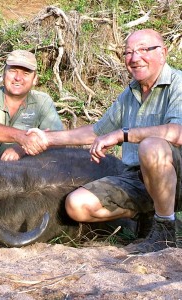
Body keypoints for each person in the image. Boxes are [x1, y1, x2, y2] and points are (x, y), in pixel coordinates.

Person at [25, 29, 182, 253]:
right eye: (128, 52)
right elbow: (97, 131)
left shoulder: (178, 83)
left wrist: (122, 134)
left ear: (163, 53)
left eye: (143, 50)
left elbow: (178, 133)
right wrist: (47, 138)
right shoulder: (130, 93)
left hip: (178, 175)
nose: (135, 58)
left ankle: (166, 231)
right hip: (139, 179)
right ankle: (151, 216)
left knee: (151, 145)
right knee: (77, 205)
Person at [0, 49, 63, 162]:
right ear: (4, 74)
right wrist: (22, 138)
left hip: (24, 171)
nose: (18, 78)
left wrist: (22, 149)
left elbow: (59, 139)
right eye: (13, 71)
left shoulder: (43, 101)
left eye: (26, 73)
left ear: (35, 79)